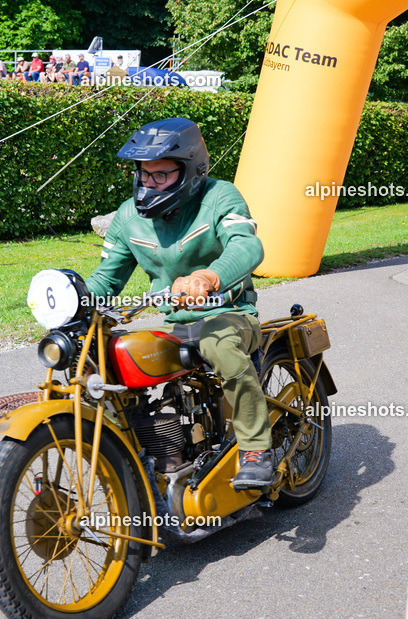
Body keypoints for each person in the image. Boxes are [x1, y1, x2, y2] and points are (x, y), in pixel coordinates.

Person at [84, 118, 275, 489]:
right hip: (176, 321)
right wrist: (72, 297)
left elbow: (247, 245)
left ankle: (256, 448)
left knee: (217, 344)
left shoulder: (220, 196)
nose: (148, 184)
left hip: (230, 312)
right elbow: (108, 278)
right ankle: (151, 451)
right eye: (143, 175)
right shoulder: (129, 217)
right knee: (113, 354)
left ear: (191, 169)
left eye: (161, 175)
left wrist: (207, 277)